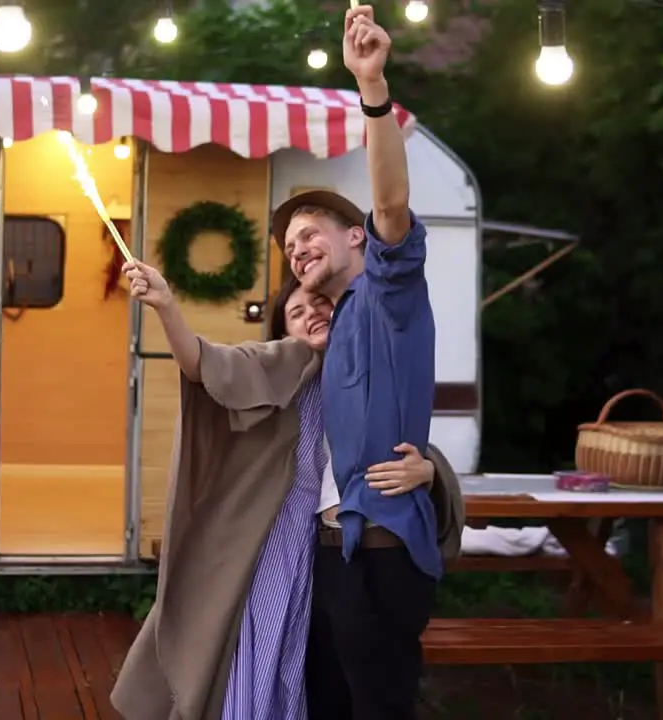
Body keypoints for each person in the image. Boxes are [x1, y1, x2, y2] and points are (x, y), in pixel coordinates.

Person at [109, 261, 458, 720]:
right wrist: (167, 305)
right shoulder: (276, 365)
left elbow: (409, 446)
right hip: (264, 552)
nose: (312, 313)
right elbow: (201, 361)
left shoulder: (364, 378)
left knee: (310, 676)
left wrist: (428, 470)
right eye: (297, 311)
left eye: (320, 303)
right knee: (249, 665)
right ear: (282, 329)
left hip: (326, 559)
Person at [270, 6, 440, 719]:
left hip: (380, 552)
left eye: (309, 234)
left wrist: (371, 87)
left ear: (355, 239)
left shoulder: (386, 293)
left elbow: (392, 202)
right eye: (287, 246)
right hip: (331, 552)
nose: (297, 248)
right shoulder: (326, 331)